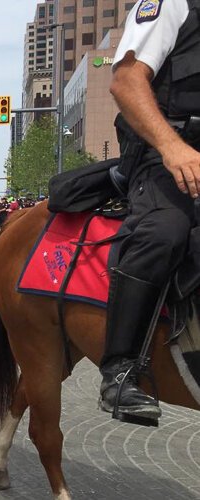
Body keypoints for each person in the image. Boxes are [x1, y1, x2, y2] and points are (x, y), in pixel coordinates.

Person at [96, 0, 200, 424]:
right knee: (164, 231)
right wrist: (172, 146)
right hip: (163, 151)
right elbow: (125, 82)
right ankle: (120, 371)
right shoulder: (172, 4)